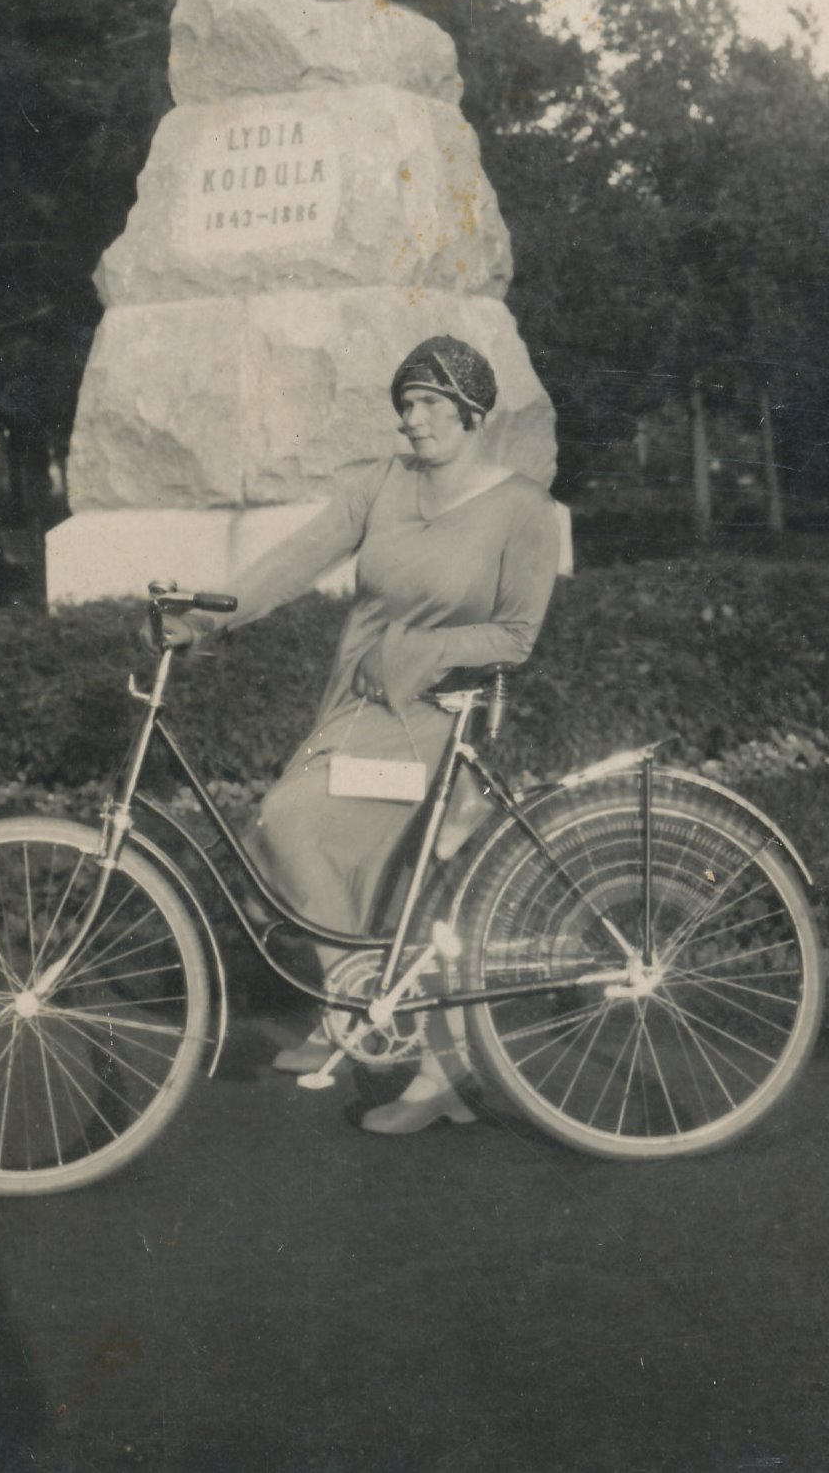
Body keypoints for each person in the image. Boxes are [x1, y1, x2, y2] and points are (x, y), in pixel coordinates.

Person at [165, 336, 560, 1135]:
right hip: (356, 706)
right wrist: (206, 616)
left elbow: (516, 635)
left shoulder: (524, 507)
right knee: (303, 838)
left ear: (470, 414)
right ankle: (352, 1011)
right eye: (404, 405)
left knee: (294, 822)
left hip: (437, 721)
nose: (409, 421)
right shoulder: (384, 483)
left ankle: (424, 1063)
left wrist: (422, 651)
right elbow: (297, 558)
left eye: (427, 405)